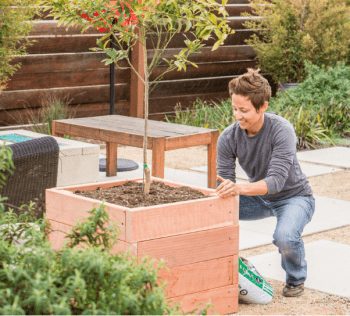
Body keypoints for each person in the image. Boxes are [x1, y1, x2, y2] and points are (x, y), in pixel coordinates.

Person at [216, 69, 315, 297]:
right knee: (213, 209)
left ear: (263, 107)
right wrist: (225, 192)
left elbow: (276, 182)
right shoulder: (228, 138)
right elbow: (224, 181)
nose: (237, 116)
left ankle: (296, 278)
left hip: (294, 197)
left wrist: (239, 188)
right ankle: (224, 267)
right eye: (234, 109)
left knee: (285, 237)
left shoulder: (282, 130)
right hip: (259, 198)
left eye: (244, 110)